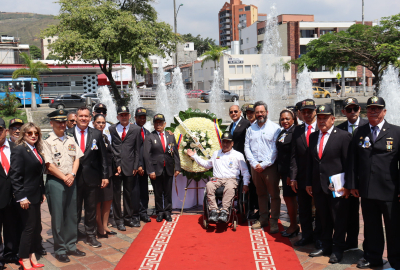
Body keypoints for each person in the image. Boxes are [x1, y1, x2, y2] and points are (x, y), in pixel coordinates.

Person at [345, 96, 400, 269]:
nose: (373, 112)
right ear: (366, 111)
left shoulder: (396, 132)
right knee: (371, 227)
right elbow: (352, 160)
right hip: (367, 189)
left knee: (393, 229)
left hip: (390, 190)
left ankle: (395, 261)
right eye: (370, 109)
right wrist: (353, 184)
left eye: (377, 109)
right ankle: (373, 257)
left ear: (384, 111)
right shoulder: (360, 132)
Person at [305, 105, 352, 263]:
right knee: (323, 218)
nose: (322, 120)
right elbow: (311, 163)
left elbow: (349, 163)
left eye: (325, 117)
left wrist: (348, 186)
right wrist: (309, 183)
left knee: (338, 218)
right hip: (318, 186)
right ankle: (325, 245)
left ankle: (338, 249)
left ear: (333, 119)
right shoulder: (313, 136)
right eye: (319, 117)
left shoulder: (343, 136)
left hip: (337, 187)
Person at [43, 109, 86, 263]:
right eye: (58, 121)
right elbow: (49, 165)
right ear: (51, 123)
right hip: (56, 182)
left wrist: (72, 175)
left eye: (63, 121)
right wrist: (64, 177)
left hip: (70, 180)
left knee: (72, 215)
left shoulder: (70, 139)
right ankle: (60, 249)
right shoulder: (47, 141)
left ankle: (71, 245)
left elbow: (77, 159)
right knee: (58, 217)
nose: (61, 124)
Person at [66, 106, 108, 248]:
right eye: (81, 116)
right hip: (74, 179)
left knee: (90, 208)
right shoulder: (68, 134)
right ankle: (74, 234)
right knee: (75, 209)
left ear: (90, 118)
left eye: (86, 116)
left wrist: (105, 176)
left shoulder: (96, 134)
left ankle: (91, 235)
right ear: (76, 118)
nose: (83, 118)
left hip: (92, 178)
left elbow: (103, 157)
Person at [187, 131, 250, 222]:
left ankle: (224, 211)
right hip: (217, 179)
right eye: (224, 141)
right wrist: (195, 156)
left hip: (231, 179)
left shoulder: (238, 155)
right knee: (209, 185)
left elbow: (245, 171)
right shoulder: (216, 153)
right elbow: (207, 164)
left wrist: (246, 183)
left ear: (232, 143)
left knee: (229, 187)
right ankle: (213, 210)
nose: (225, 144)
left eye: (228, 142)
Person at [9, 123, 46, 270]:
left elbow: (38, 175)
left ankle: (32, 255)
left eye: (35, 133)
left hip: (35, 194)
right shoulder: (19, 150)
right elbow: (15, 176)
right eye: (29, 133)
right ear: (23, 134)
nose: (33, 135)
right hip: (26, 197)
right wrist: (21, 197)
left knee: (35, 227)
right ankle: (23, 257)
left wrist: (42, 191)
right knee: (28, 228)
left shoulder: (35, 149)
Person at [336, 97, 368, 251]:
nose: (352, 112)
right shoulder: (340, 128)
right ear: (344, 112)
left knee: (369, 212)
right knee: (350, 209)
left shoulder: (368, 126)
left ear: (359, 110)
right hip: (348, 175)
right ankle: (351, 241)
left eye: (355, 108)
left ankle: (369, 246)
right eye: (349, 109)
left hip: (366, 175)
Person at [244, 101, 281, 232]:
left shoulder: (275, 128)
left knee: (274, 194)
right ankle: (263, 218)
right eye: (257, 112)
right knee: (261, 194)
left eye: (262, 112)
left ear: (267, 112)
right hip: (255, 166)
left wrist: (264, 164)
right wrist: (254, 164)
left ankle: (274, 221)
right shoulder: (250, 129)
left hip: (269, 166)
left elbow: (275, 149)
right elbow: (247, 147)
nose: (260, 114)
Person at [290, 99, 322, 247]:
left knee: (321, 209)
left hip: (319, 175)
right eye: (304, 112)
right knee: (303, 208)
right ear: (300, 114)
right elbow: (294, 156)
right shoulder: (297, 130)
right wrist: (293, 177)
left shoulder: (322, 127)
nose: (307, 114)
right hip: (302, 176)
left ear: (315, 111)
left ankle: (320, 237)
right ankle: (306, 235)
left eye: (310, 111)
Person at [143, 114, 181, 222]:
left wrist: (177, 167)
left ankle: (168, 212)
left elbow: (174, 152)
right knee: (158, 192)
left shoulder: (170, 136)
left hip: (168, 167)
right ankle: (159, 212)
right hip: (156, 169)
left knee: (168, 192)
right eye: (156, 123)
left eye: (160, 122)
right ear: (154, 124)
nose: (158, 124)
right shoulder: (150, 137)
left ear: (165, 124)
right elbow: (147, 155)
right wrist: (150, 170)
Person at [109, 106, 141, 230]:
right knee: (116, 195)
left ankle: (128, 218)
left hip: (130, 167)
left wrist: (135, 165)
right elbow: (110, 148)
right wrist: (115, 164)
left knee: (128, 194)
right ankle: (119, 220)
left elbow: (137, 150)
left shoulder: (136, 129)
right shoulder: (112, 129)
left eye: (126, 115)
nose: (123, 117)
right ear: (117, 117)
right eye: (121, 115)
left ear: (129, 116)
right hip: (116, 167)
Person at [0, 118, 20, 268]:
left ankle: (10, 253)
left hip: (13, 196)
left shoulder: (16, 148)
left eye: (0, 130)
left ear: (6, 131)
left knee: (11, 226)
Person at [276, 109, 299, 238]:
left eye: (287, 119)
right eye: (282, 119)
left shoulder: (295, 132)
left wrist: (291, 175)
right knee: (287, 198)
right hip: (284, 172)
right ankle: (293, 225)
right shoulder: (283, 132)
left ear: (293, 119)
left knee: (290, 199)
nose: (284, 121)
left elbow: (293, 155)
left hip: (291, 173)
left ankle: (294, 225)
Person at [92, 114, 116, 238]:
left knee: (107, 199)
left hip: (109, 173)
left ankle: (105, 224)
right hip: (97, 174)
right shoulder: (92, 137)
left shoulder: (105, 137)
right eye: (98, 122)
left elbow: (110, 155)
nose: (101, 125)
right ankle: (99, 226)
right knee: (97, 202)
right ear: (94, 123)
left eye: (103, 123)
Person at [134, 107, 152, 223]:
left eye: (143, 117)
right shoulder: (132, 130)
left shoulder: (147, 132)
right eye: (139, 117)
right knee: (135, 191)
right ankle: (134, 214)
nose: (142, 119)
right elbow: (135, 150)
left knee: (144, 190)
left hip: (145, 168)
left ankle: (143, 212)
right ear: (135, 118)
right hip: (135, 167)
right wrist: (139, 165)